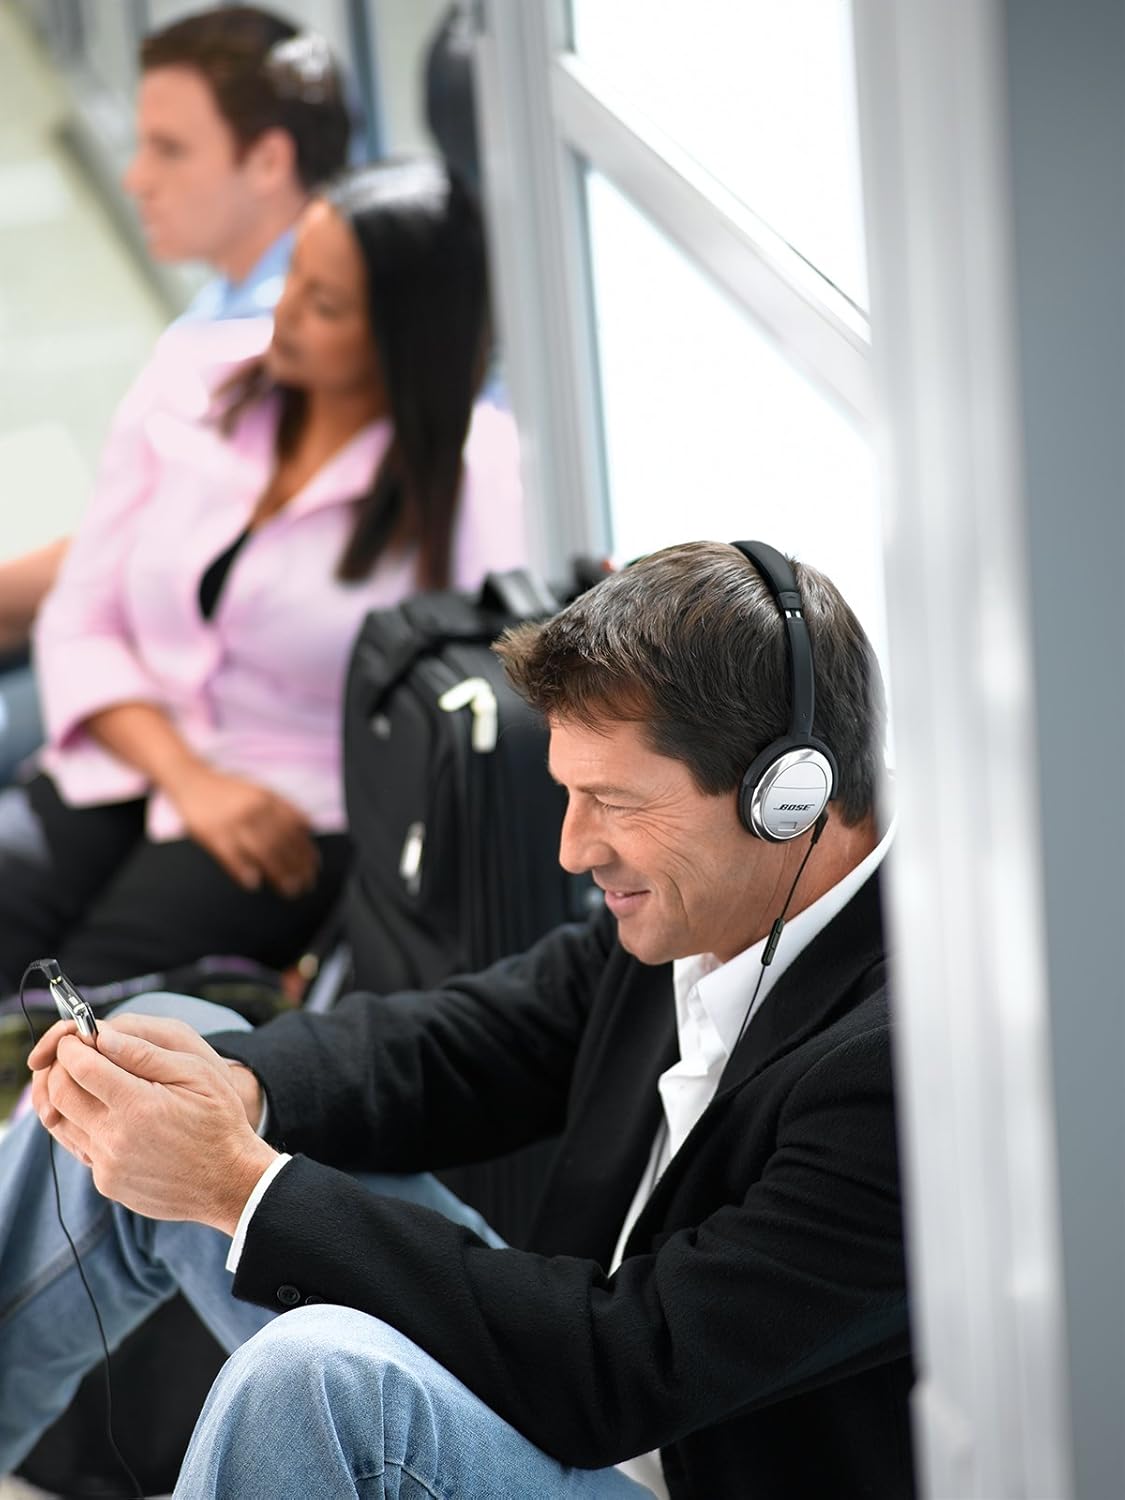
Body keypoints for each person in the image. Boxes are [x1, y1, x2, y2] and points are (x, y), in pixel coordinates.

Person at [0, 539, 911, 1498]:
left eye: (610, 802)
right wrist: (239, 1088)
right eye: (568, 793)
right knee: (151, 1066)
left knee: (315, 1379)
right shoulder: (701, 907)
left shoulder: (897, 1068)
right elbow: (462, 1044)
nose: (571, 848)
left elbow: (629, 1368)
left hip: (646, 1439)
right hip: (570, 1388)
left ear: (786, 796)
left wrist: (236, 1182)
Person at [0, 156, 524, 993]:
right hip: (127, 746)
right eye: (292, 278)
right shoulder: (191, 383)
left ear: (403, 336)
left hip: (290, 814)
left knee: (79, 1017)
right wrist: (186, 777)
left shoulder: (474, 476)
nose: (282, 315)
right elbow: (80, 614)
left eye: (325, 306)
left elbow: (459, 720)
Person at [0, 4, 352, 786]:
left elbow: (143, 565)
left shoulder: (279, 343)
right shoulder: (235, 296)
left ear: (266, 162)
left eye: (169, 150)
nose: (135, 176)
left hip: (189, 707)